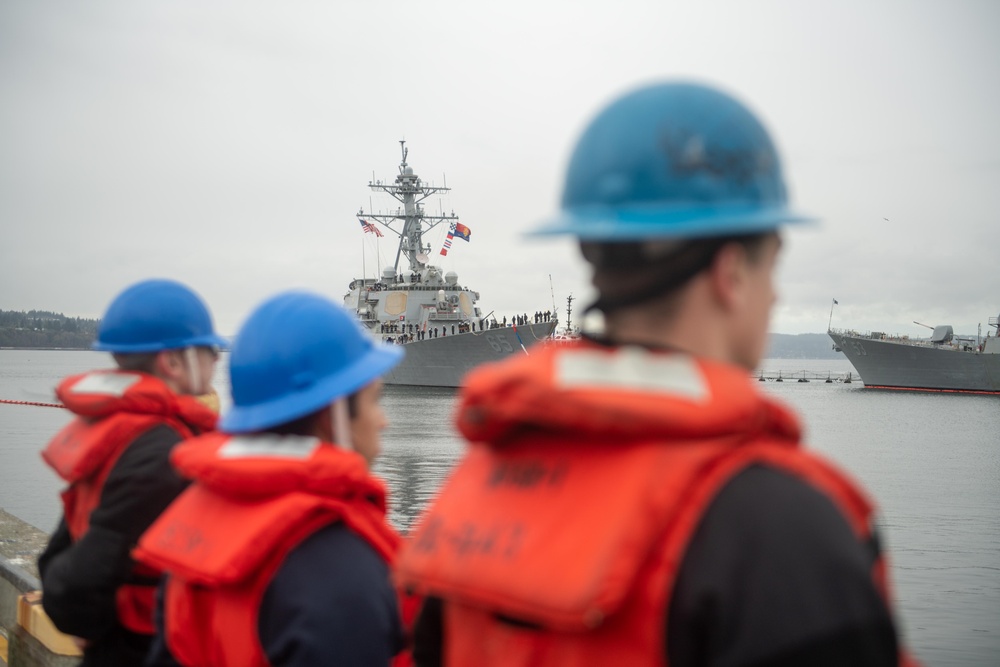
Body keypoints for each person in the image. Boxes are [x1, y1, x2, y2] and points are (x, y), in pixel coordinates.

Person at [396, 82, 919, 666]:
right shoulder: (784, 527)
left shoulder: (466, 494)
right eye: (773, 262)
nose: (776, 295)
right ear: (731, 273)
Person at [136, 291, 414, 666]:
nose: (383, 421)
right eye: (373, 401)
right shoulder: (344, 578)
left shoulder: (193, 525)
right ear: (332, 413)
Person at [38, 278, 226, 666]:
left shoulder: (123, 435)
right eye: (210, 350)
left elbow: (57, 555)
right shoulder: (163, 457)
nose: (217, 361)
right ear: (174, 361)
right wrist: (104, 636)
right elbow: (73, 588)